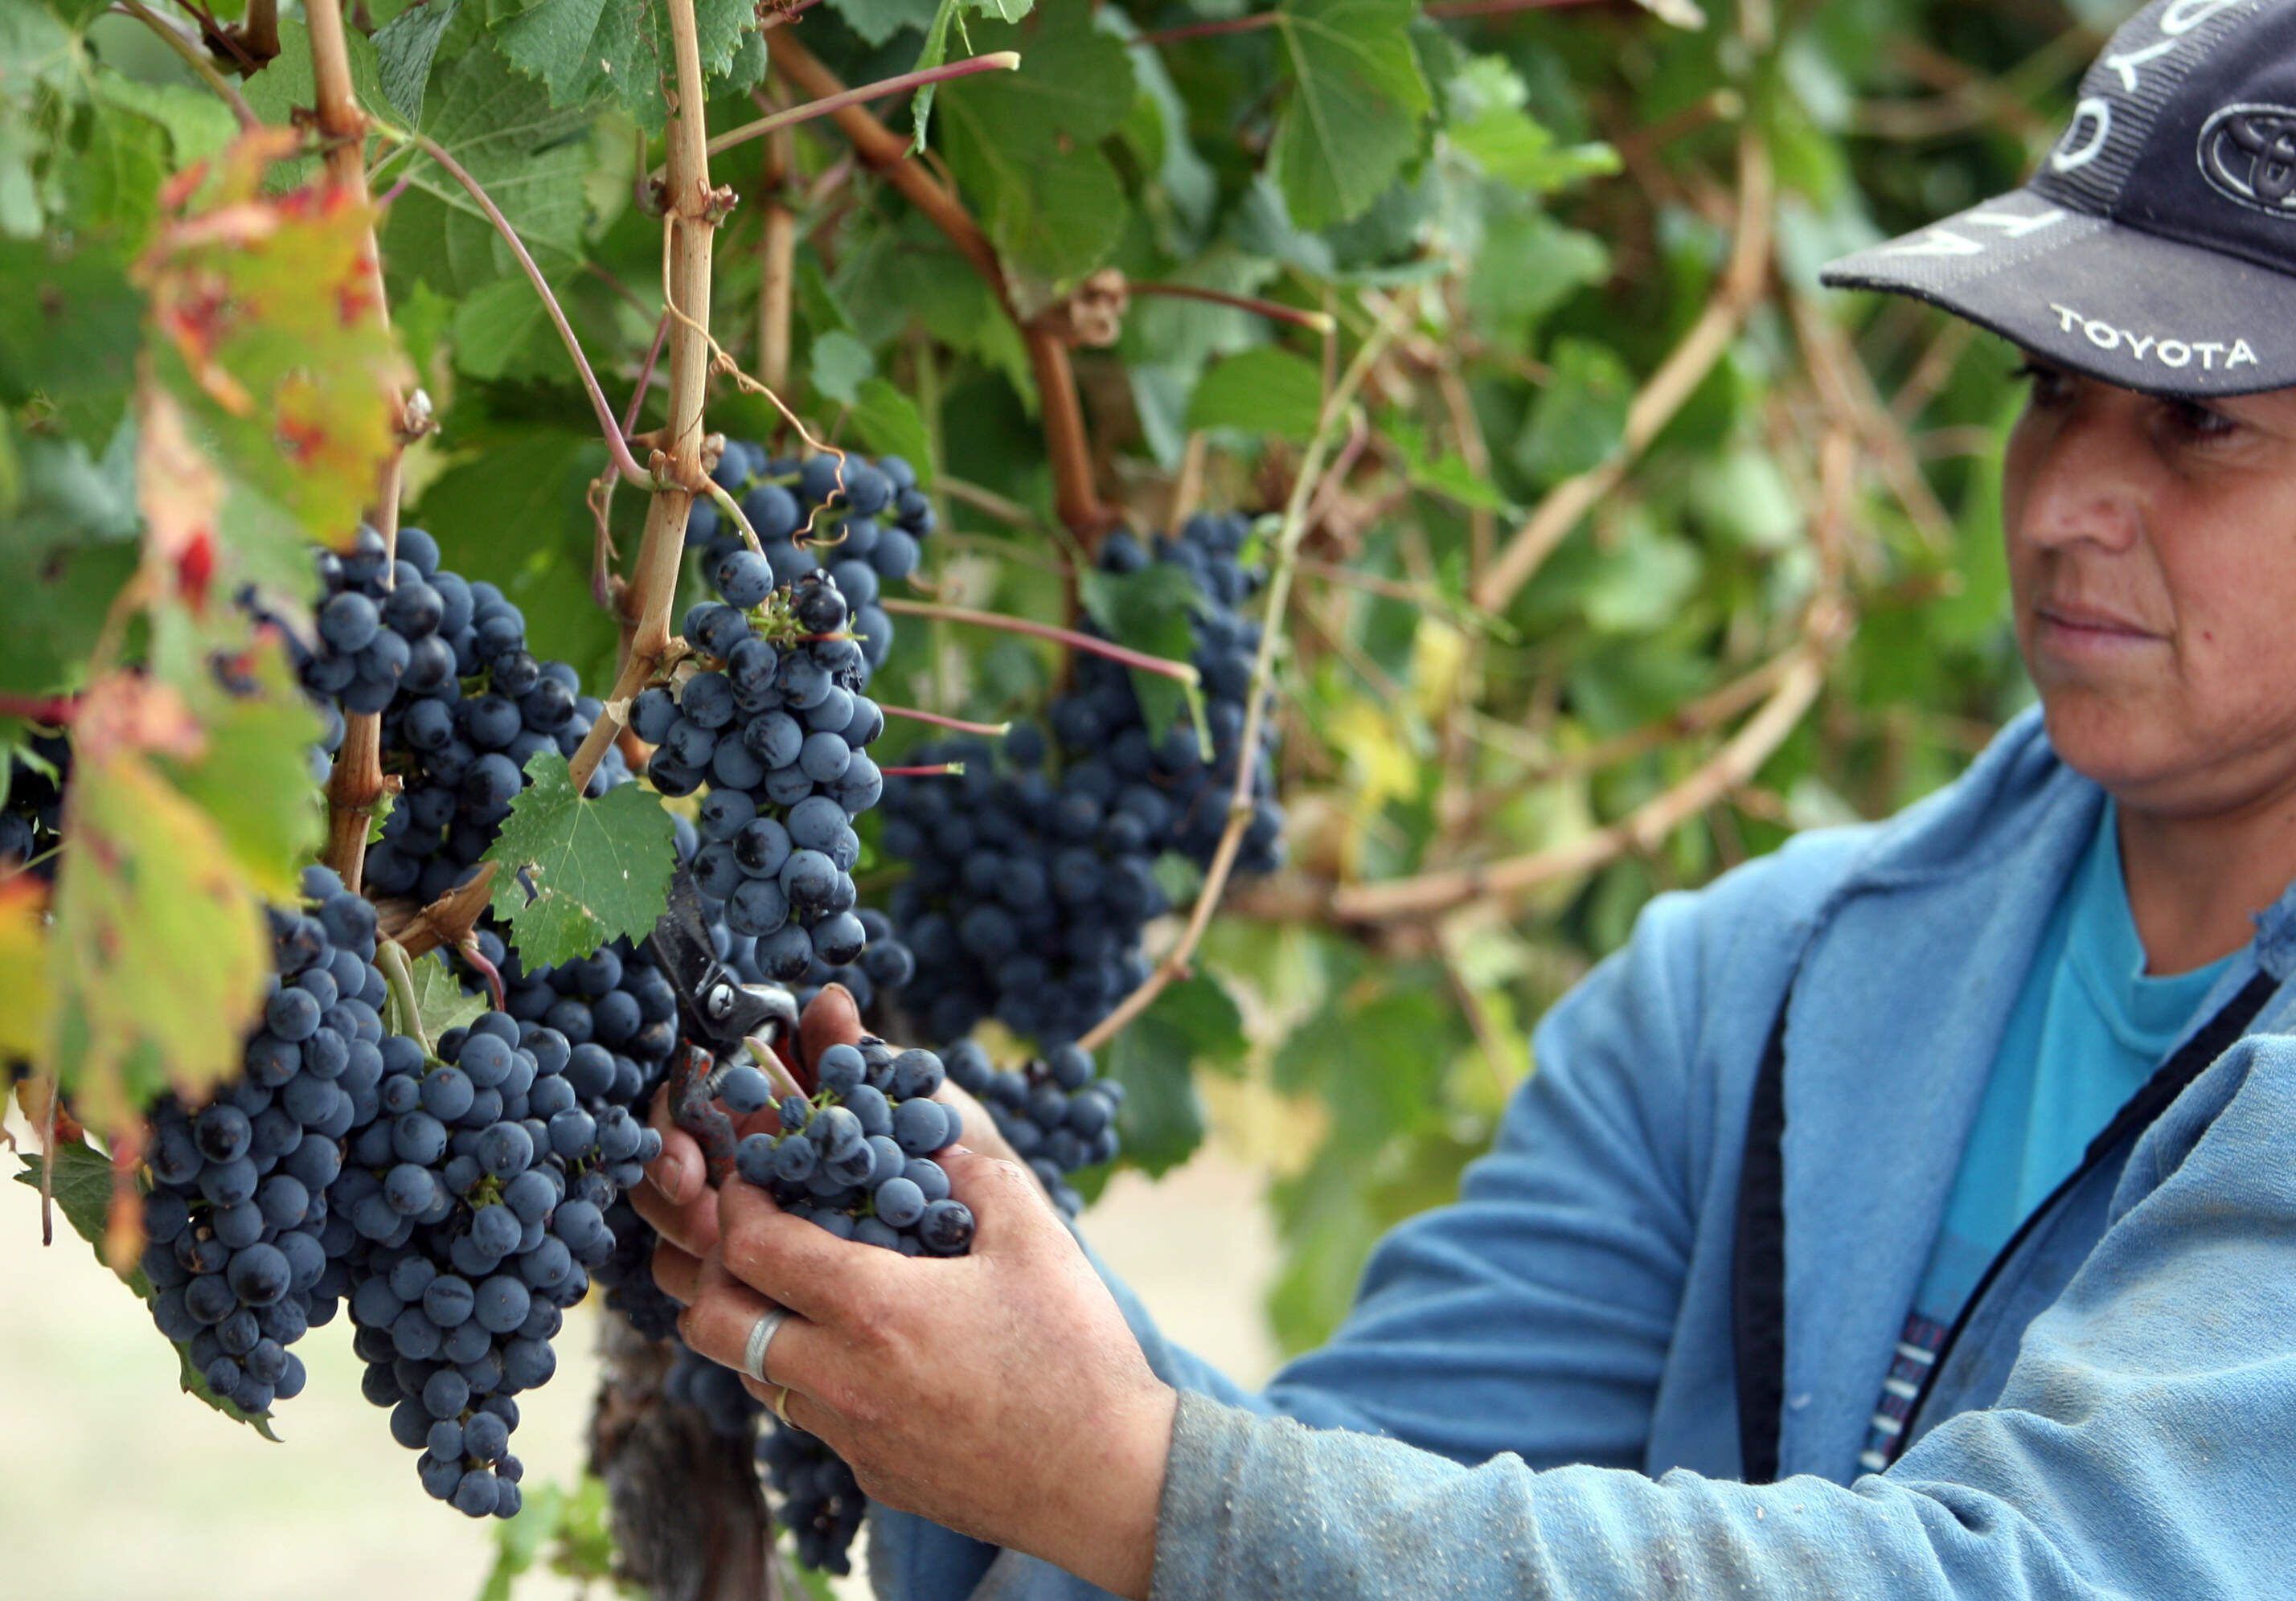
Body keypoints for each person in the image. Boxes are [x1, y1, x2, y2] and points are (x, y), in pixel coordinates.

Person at [638, 2, 2296, 1594]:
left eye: (2198, 422)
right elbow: (1340, 1489)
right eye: (2049, 390)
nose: (2072, 496)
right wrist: (927, 1247)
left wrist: (1128, 1478)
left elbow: (2046, 1578)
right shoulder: (1756, 985)